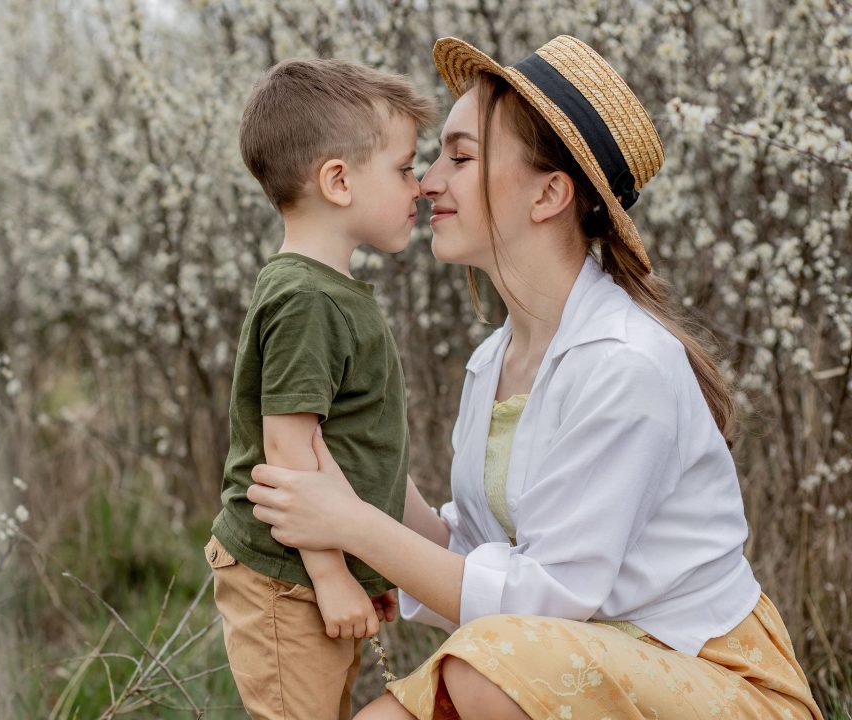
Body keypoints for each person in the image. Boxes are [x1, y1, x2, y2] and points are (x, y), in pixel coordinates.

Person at [246, 36, 822, 720]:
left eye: (459, 157)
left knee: (486, 670)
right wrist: (358, 475)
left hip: (712, 677)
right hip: (567, 663)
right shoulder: (496, 358)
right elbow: (481, 551)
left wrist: (353, 527)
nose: (428, 181)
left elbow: (544, 597)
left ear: (550, 193)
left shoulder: (625, 365)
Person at [204, 58, 438, 719]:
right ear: (338, 181)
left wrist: (368, 566)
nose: (419, 187)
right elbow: (288, 450)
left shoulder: (327, 292)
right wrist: (333, 575)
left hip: (312, 571)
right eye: (402, 168)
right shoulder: (308, 299)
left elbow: (349, 445)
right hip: (288, 578)